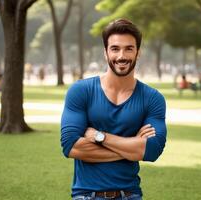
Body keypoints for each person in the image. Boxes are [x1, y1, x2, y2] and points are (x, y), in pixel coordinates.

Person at [61, 19, 167, 200]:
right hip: (86, 195)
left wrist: (99, 137)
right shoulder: (81, 91)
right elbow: (71, 147)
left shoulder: (152, 98)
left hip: (130, 195)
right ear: (105, 53)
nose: (121, 56)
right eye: (115, 49)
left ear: (138, 53)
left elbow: (152, 151)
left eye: (129, 48)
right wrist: (133, 146)